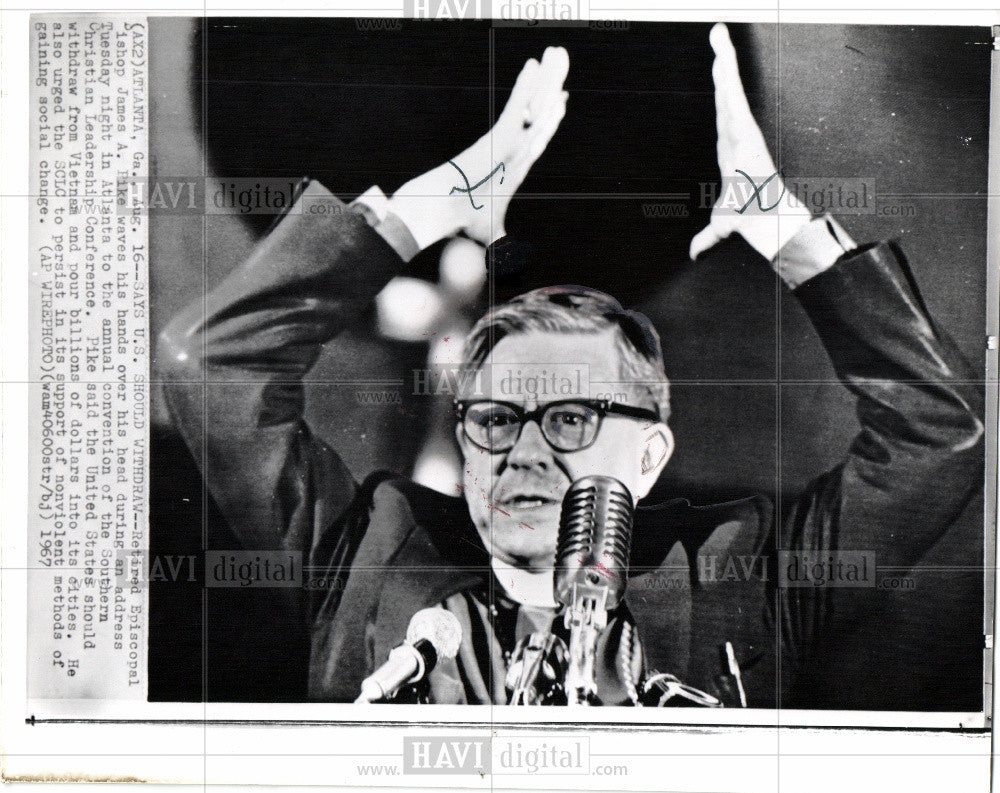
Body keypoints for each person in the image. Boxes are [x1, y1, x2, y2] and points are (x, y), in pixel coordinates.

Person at [158, 25, 983, 705]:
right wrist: (428, 210)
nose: (523, 452)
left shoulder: (749, 580)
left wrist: (780, 226)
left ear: (651, 452)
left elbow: (939, 432)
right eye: (494, 419)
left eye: (569, 418)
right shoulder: (367, 558)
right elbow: (208, 368)